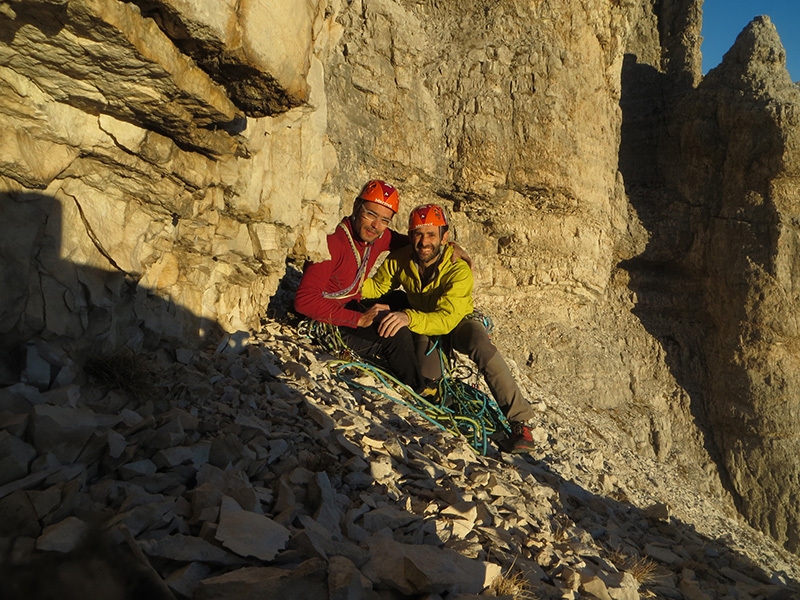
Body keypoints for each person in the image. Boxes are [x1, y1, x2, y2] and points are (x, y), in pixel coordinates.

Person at [360, 203, 539, 454]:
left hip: (456, 323)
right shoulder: (401, 259)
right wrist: (349, 280)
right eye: (418, 234)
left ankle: (520, 422)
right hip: (423, 322)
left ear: (445, 237)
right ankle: (444, 381)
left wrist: (407, 318)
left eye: (432, 235)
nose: (424, 242)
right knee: (425, 384)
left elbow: (445, 319)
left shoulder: (458, 268)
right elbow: (376, 288)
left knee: (481, 346)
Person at [294, 179, 425, 390]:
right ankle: (419, 389)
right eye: (371, 214)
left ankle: (419, 367)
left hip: (350, 306)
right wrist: (360, 319)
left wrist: (451, 247)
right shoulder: (333, 243)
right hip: (329, 323)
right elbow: (304, 301)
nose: (376, 225)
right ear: (356, 206)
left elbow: (419, 244)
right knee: (396, 335)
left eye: (384, 220)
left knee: (401, 301)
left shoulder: (375, 238)